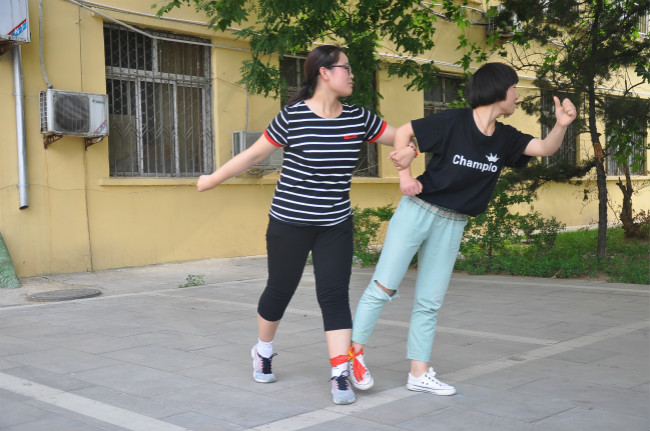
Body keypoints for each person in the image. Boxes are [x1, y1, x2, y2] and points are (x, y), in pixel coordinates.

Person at [347, 62, 577, 396]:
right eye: (513, 88)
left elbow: (545, 148)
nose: (516, 95)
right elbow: (405, 131)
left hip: (453, 222)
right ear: (498, 90)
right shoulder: (454, 121)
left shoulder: (505, 138)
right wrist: (405, 176)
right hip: (418, 211)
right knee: (383, 286)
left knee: (429, 301)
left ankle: (418, 373)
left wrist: (561, 125)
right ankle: (353, 355)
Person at [196, 45, 396, 405]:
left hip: (335, 222)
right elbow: (255, 154)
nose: (352, 75)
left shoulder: (359, 119)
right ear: (325, 73)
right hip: (289, 221)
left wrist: (423, 146)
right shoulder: (293, 117)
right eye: (346, 68)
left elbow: (402, 136)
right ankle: (263, 350)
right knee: (280, 289)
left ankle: (339, 373)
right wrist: (212, 179)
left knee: (334, 295)